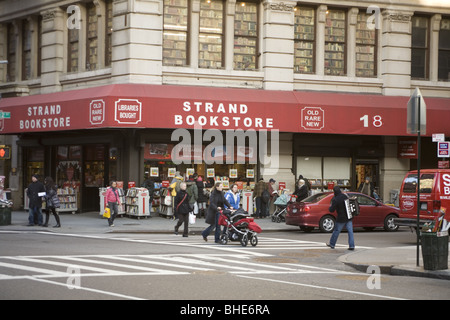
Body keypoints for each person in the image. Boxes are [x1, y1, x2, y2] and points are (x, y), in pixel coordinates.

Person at [326, 186, 355, 250]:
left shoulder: (335, 199)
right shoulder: (344, 196)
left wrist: (330, 207)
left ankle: (332, 244)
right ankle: (352, 246)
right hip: (348, 216)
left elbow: (332, 210)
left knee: (336, 231)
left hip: (341, 218)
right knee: (350, 231)